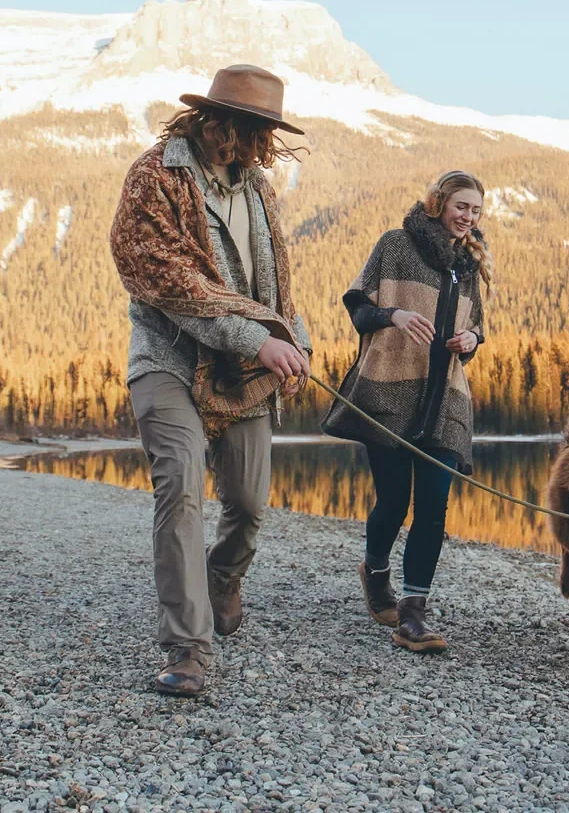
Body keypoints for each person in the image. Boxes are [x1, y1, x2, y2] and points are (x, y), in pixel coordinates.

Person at [110, 64, 312, 697]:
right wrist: (261, 338)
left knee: (249, 505)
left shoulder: (256, 188)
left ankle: (224, 577)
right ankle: (187, 647)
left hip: (243, 372)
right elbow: (171, 283)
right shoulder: (155, 177)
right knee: (180, 493)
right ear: (219, 122)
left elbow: (273, 281)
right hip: (168, 360)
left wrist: (294, 340)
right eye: (256, 131)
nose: (263, 146)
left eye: (268, 134)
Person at [322, 171, 490, 652]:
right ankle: (376, 573)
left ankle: (413, 615)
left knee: (434, 506)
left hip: (447, 401)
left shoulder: (467, 265)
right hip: (391, 392)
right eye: (462, 206)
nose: (468, 217)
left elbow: (476, 330)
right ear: (438, 203)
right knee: (394, 502)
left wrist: (472, 340)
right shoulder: (397, 245)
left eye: (476, 210)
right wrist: (392, 315)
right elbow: (357, 308)